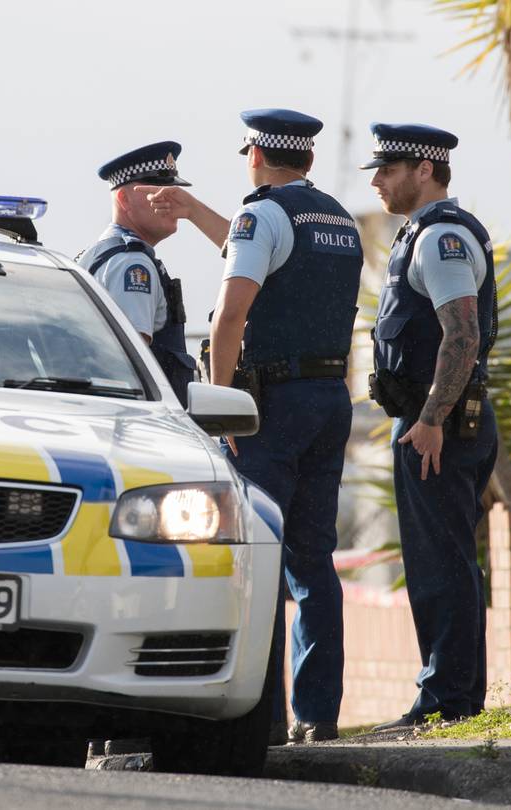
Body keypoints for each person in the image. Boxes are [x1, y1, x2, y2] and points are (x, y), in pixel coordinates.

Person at [142, 109, 364, 743]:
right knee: (314, 561)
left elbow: (231, 317)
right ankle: (318, 715)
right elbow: (256, 247)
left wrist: (223, 400)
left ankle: (261, 717)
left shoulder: (260, 216)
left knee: (259, 556)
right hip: (329, 398)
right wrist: (192, 209)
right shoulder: (337, 220)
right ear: (309, 162)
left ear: (256, 157)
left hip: (271, 409)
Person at [359, 123, 499, 729]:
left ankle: (447, 700)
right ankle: (453, 695)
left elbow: (461, 332)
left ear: (424, 169)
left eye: (387, 170)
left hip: (438, 423)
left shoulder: (440, 236)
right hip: (429, 419)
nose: (376, 181)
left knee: (442, 564)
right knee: (438, 559)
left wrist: (433, 418)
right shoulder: (419, 233)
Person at [77, 141, 197, 406]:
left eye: (173, 190)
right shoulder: (132, 264)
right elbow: (130, 365)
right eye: (156, 191)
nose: (171, 199)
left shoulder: (100, 255)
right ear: (124, 199)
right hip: (142, 424)